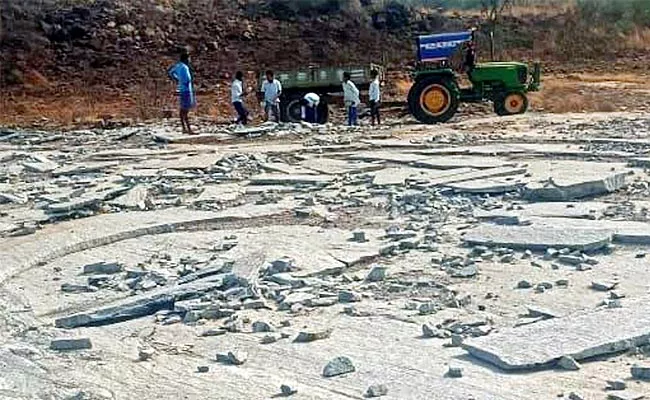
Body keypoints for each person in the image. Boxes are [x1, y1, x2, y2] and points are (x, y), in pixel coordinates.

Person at [167, 52, 195, 134]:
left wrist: (177, 79)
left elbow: (170, 72)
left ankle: (184, 127)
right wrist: (183, 82)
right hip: (186, 89)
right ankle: (188, 129)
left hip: (182, 89)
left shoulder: (178, 66)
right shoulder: (185, 67)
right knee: (185, 110)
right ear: (186, 59)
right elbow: (187, 79)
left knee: (183, 109)